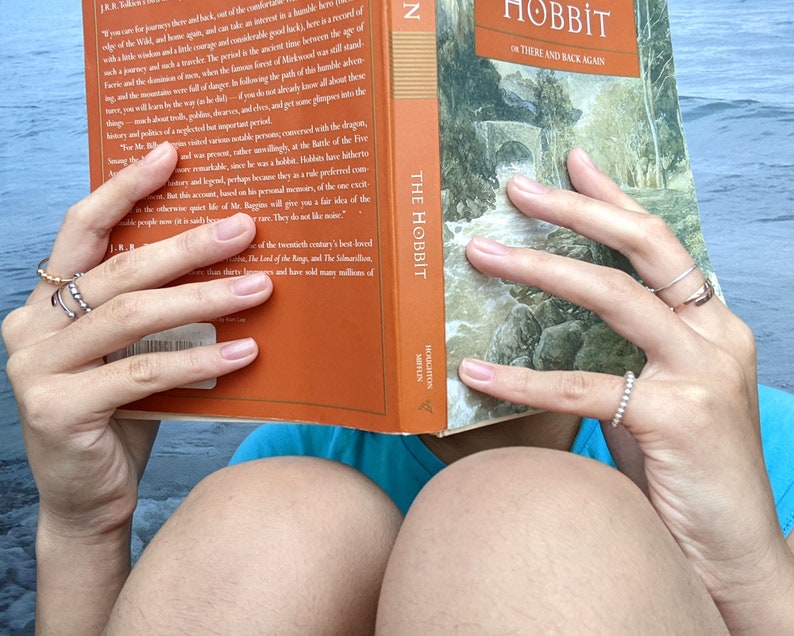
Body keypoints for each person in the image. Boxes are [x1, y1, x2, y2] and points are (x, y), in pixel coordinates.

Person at [3, 142, 793, 634]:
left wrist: (749, 575)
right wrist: (82, 528)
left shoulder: (751, 437)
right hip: (283, 510)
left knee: (524, 506)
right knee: (277, 518)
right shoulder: (284, 464)